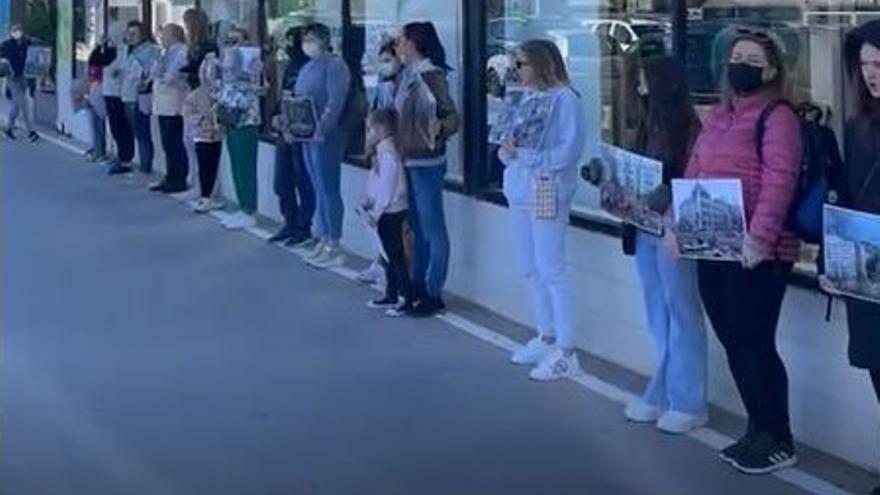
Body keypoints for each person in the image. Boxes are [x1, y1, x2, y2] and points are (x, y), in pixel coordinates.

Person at [672, 29, 802, 474]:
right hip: (714, 245)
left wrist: (760, 238)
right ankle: (757, 429)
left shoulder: (777, 116)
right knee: (732, 340)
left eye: (751, 58)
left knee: (754, 342)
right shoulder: (719, 116)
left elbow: (779, 179)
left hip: (758, 253)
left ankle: (778, 437)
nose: (740, 64)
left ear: (770, 71)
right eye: (735, 56)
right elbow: (695, 170)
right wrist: (677, 223)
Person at [584, 52, 708, 433]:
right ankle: (665, 387)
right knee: (658, 311)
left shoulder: (688, 128)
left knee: (681, 311)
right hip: (644, 229)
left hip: (673, 228)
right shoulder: (644, 124)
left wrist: (656, 197)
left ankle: (687, 398)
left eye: (643, 79)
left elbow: (691, 179)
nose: (637, 86)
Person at [499, 39, 586, 381]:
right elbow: (508, 146)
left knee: (551, 267)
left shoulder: (566, 99)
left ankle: (566, 349)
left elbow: (569, 150)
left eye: (521, 64)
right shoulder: (525, 97)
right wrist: (509, 152)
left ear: (541, 63)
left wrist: (528, 156)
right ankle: (546, 334)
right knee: (528, 266)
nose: (516, 72)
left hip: (547, 187)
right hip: (520, 187)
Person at [824, 20, 880, 495]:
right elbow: (845, 198)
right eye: (864, 65)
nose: (871, 74)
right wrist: (833, 259)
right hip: (867, 276)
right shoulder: (857, 126)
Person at [394, 21, 460, 317]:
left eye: (401, 41)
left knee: (432, 226)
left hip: (426, 161)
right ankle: (417, 284)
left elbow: (451, 119)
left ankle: (434, 290)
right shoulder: (408, 76)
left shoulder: (431, 76)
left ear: (414, 43)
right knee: (417, 227)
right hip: (408, 159)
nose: (398, 46)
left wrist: (439, 129)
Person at [294, 23, 351, 268]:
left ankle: (335, 242)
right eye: (305, 39)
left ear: (324, 40)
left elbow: (335, 101)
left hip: (327, 136)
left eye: (312, 39)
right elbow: (298, 99)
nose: (307, 43)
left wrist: (322, 128)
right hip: (307, 134)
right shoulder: (308, 67)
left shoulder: (335, 66)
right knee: (317, 186)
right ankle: (323, 235)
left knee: (329, 188)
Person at [356, 38, 404, 286]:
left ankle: (394, 275)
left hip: (392, 154)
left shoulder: (404, 86)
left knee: (390, 219)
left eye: (389, 59)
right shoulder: (380, 88)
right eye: (382, 60)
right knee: (378, 219)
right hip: (378, 153)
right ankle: (380, 264)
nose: (385, 65)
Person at [268, 26, 316, 247]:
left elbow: (306, 102)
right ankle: (290, 221)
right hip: (283, 132)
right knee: (281, 182)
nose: (286, 47)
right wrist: (277, 117)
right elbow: (284, 96)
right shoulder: (290, 66)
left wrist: (293, 127)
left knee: (303, 182)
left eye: (289, 42)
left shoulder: (309, 67)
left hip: (300, 134)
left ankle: (304, 226)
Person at [360, 109, 411, 313]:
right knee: (387, 255)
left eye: (370, 129)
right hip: (384, 210)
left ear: (381, 129)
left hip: (391, 211)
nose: (369, 133)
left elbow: (388, 188)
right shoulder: (382, 151)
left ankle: (404, 297)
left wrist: (376, 211)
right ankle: (391, 294)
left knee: (395, 255)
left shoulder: (388, 154)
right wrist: (369, 201)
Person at [216, 26, 263, 230]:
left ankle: (249, 208)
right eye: (229, 40)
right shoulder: (225, 60)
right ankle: (242, 206)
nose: (232, 45)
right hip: (229, 115)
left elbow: (259, 86)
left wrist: (248, 71)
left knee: (245, 165)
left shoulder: (253, 60)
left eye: (236, 40)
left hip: (246, 117)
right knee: (235, 163)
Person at [150, 23, 190, 194]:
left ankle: (178, 179)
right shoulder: (165, 53)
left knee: (174, 143)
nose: (162, 38)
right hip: (163, 104)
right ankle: (170, 176)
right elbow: (154, 73)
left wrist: (162, 74)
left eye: (165, 34)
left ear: (174, 35)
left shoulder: (181, 52)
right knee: (166, 143)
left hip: (174, 104)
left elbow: (171, 77)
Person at [183, 52, 224, 214]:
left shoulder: (221, 93)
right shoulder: (196, 95)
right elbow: (188, 112)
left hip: (218, 135)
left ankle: (209, 195)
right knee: (203, 164)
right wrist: (201, 120)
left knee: (213, 165)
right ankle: (204, 195)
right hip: (201, 135)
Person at [93, 24, 135, 174]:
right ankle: (120, 156)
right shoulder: (110, 51)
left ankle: (125, 159)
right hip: (109, 91)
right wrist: (99, 45)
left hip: (120, 93)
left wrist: (117, 71)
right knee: (115, 126)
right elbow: (94, 60)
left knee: (122, 126)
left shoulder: (125, 49)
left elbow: (125, 68)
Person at [121, 20, 159, 175]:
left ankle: (145, 166)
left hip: (140, 96)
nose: (130, 37)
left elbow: (153, 72)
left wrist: (145, 82)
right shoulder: (128, 50)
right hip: (127, 94)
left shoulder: (150, 50)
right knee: (136, 131)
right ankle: (143, 162)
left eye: (133, 34)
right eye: (128, 33)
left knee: (142, 132)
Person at [1, 24, 40, 142]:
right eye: (14, 31)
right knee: (22, 103)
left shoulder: (26, 43)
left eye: (18, 31)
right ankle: (31, 132)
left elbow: (36, 50)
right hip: (12, 77)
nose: (16, 33)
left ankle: (8, 128)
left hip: (24, 76)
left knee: (18, 105)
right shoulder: (6, 45)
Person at [84, 47, 108, 162]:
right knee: (100, 125)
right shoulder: (104, 69)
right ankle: (100, 150)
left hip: (93, 95)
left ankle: (97, 150)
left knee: (95, 125)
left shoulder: (92, 69)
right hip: (100, 97)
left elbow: (89, 81)